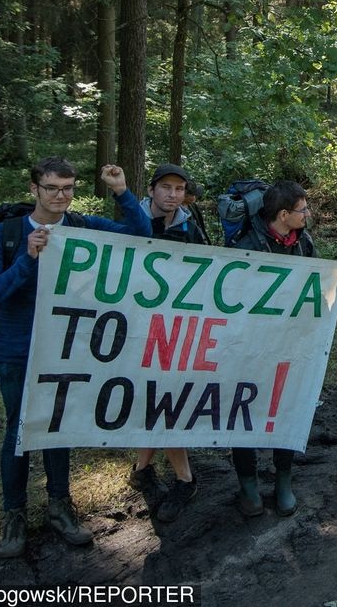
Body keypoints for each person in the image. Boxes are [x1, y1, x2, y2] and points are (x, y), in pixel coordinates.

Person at [0, 157, 152, 558]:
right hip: (17, 349)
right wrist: (27, 259)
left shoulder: (81, 227)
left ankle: (60, 507)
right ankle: (14, 516)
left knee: (57, 426)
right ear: (34, 189)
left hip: (67, 346)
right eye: (53, 188)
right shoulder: (1, 235)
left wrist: (122, 191)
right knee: (19, 431)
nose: (61, 196)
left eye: (68, 188)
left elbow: (139, 233)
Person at [229, 181, 337, 517]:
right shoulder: (247, 244)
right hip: (251, 348)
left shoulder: (303, 242)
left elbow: (312, 286)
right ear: (283, 215)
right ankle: (249, 485)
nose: (308, 214)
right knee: (245, 410)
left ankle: (283, 480)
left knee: (286, 409)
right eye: (302, 209)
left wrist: (333, 278)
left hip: (289, 346)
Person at [128, 163, 204, 522]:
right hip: (136, 325)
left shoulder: (189, 225)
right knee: (152, 398)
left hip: (177, 328)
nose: (173, 194)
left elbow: (207, 269)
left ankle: (176, 476)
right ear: (153, 189)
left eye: (179, 188)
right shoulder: (132, 219)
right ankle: (149, 471)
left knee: (166, 398)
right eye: (166, 187)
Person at [182, 179, 210, 243]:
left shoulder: (193, 206)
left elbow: (200, 224)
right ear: (184, 196)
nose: (194, 198)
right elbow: (185, 230)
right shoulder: (178, 211)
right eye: (192, 195)